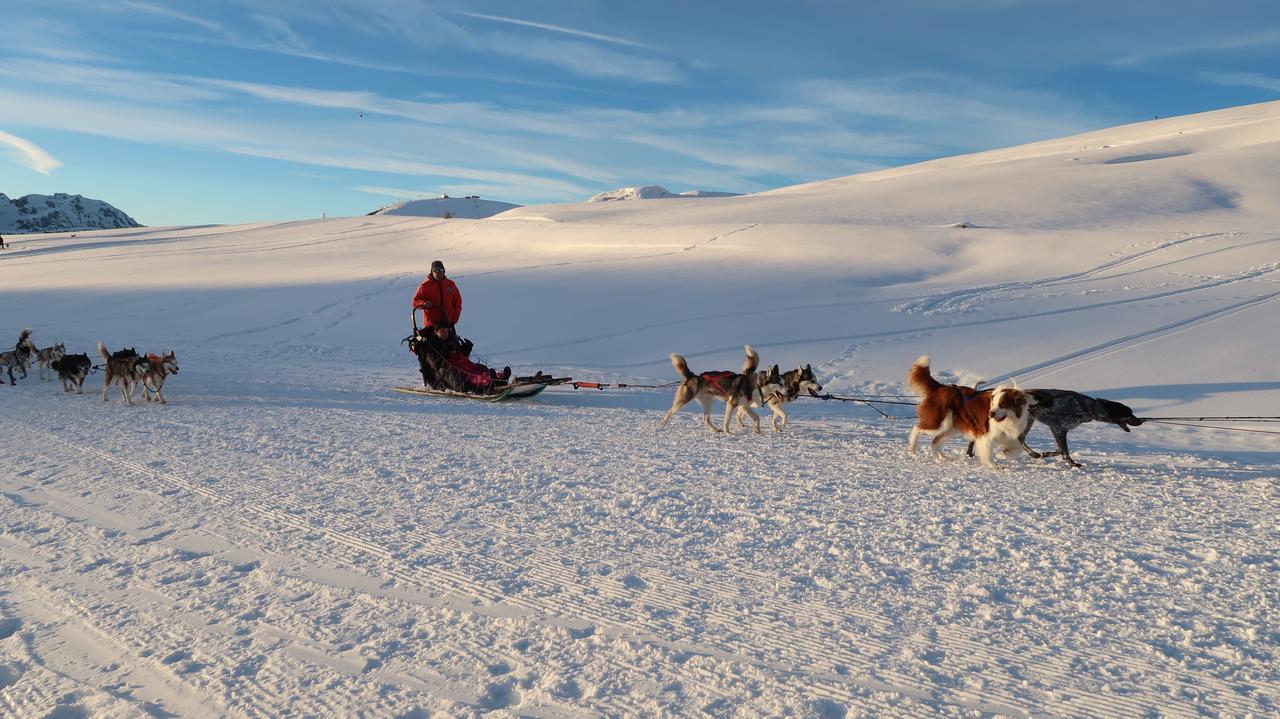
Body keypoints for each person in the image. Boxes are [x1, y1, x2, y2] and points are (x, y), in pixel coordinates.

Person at [417, 323, 510, 393]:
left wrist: (467, 348)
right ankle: (488, 384)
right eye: (442, 332)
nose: (445, 334)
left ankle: (498, 378)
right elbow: (435, 364)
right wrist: (448, 353)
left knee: (479, 369)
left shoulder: (450, 339)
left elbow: (461, 355)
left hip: (461, 364)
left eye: (446, 331)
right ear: (435, 332)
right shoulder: (431, 346)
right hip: (445, 371)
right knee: (470, 377)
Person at [412, 260, 461, 330]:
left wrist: (454, 320)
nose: (439, 272)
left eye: (441, 269)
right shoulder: (424, 286)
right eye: (436, 270)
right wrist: (424, 303)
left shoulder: (450, 284)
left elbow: (458, 302)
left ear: (444, 271)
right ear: (432, 272)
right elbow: (415, 302)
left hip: (448, 324)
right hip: (432, 326)